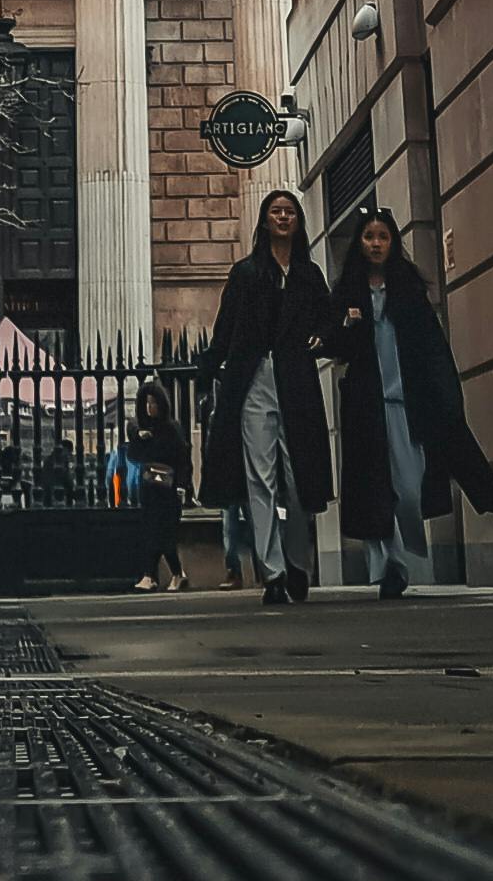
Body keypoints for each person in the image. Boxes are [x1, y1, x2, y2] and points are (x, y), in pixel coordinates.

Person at [330, 209, 493, 597]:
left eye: (383, 236)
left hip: (407, 405)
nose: (376, 244)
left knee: (408, 487)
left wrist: (446, 400)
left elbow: (432, 351)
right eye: (369, 237)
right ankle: (390, 566)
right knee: (375, 488)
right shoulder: (347, 293)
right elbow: (335, 346)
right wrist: (346, 326)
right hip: (369, 409)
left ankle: (400, 558)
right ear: (360, 244)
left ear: (393, 242)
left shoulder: (409, 294)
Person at [201, 186, 336, 604]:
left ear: (298, 222)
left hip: (296, 380)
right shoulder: (245, 273)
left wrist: (324, 338)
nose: (283, 217)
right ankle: (273, 572)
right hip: (255, 381)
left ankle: (298, 563)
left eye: (289, 212)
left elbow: (327, 321)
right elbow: (225, 328)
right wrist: (209, 369)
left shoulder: (309, 275)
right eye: (276, 211)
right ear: (264, 221)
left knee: (296, 481)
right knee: (260, 479)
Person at [124, 377, 192, 593]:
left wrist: (182, 485)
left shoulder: (171, 429)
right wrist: (138, 435)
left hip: (168, 488)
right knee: (152, 532)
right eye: (146, 403)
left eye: (153, 403)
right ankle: (157, 574)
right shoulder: (142, 430)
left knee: (164, 534)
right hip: (150, 487)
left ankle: (167, 573)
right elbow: (133, 450)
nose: (149, 408)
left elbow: (183, 459)